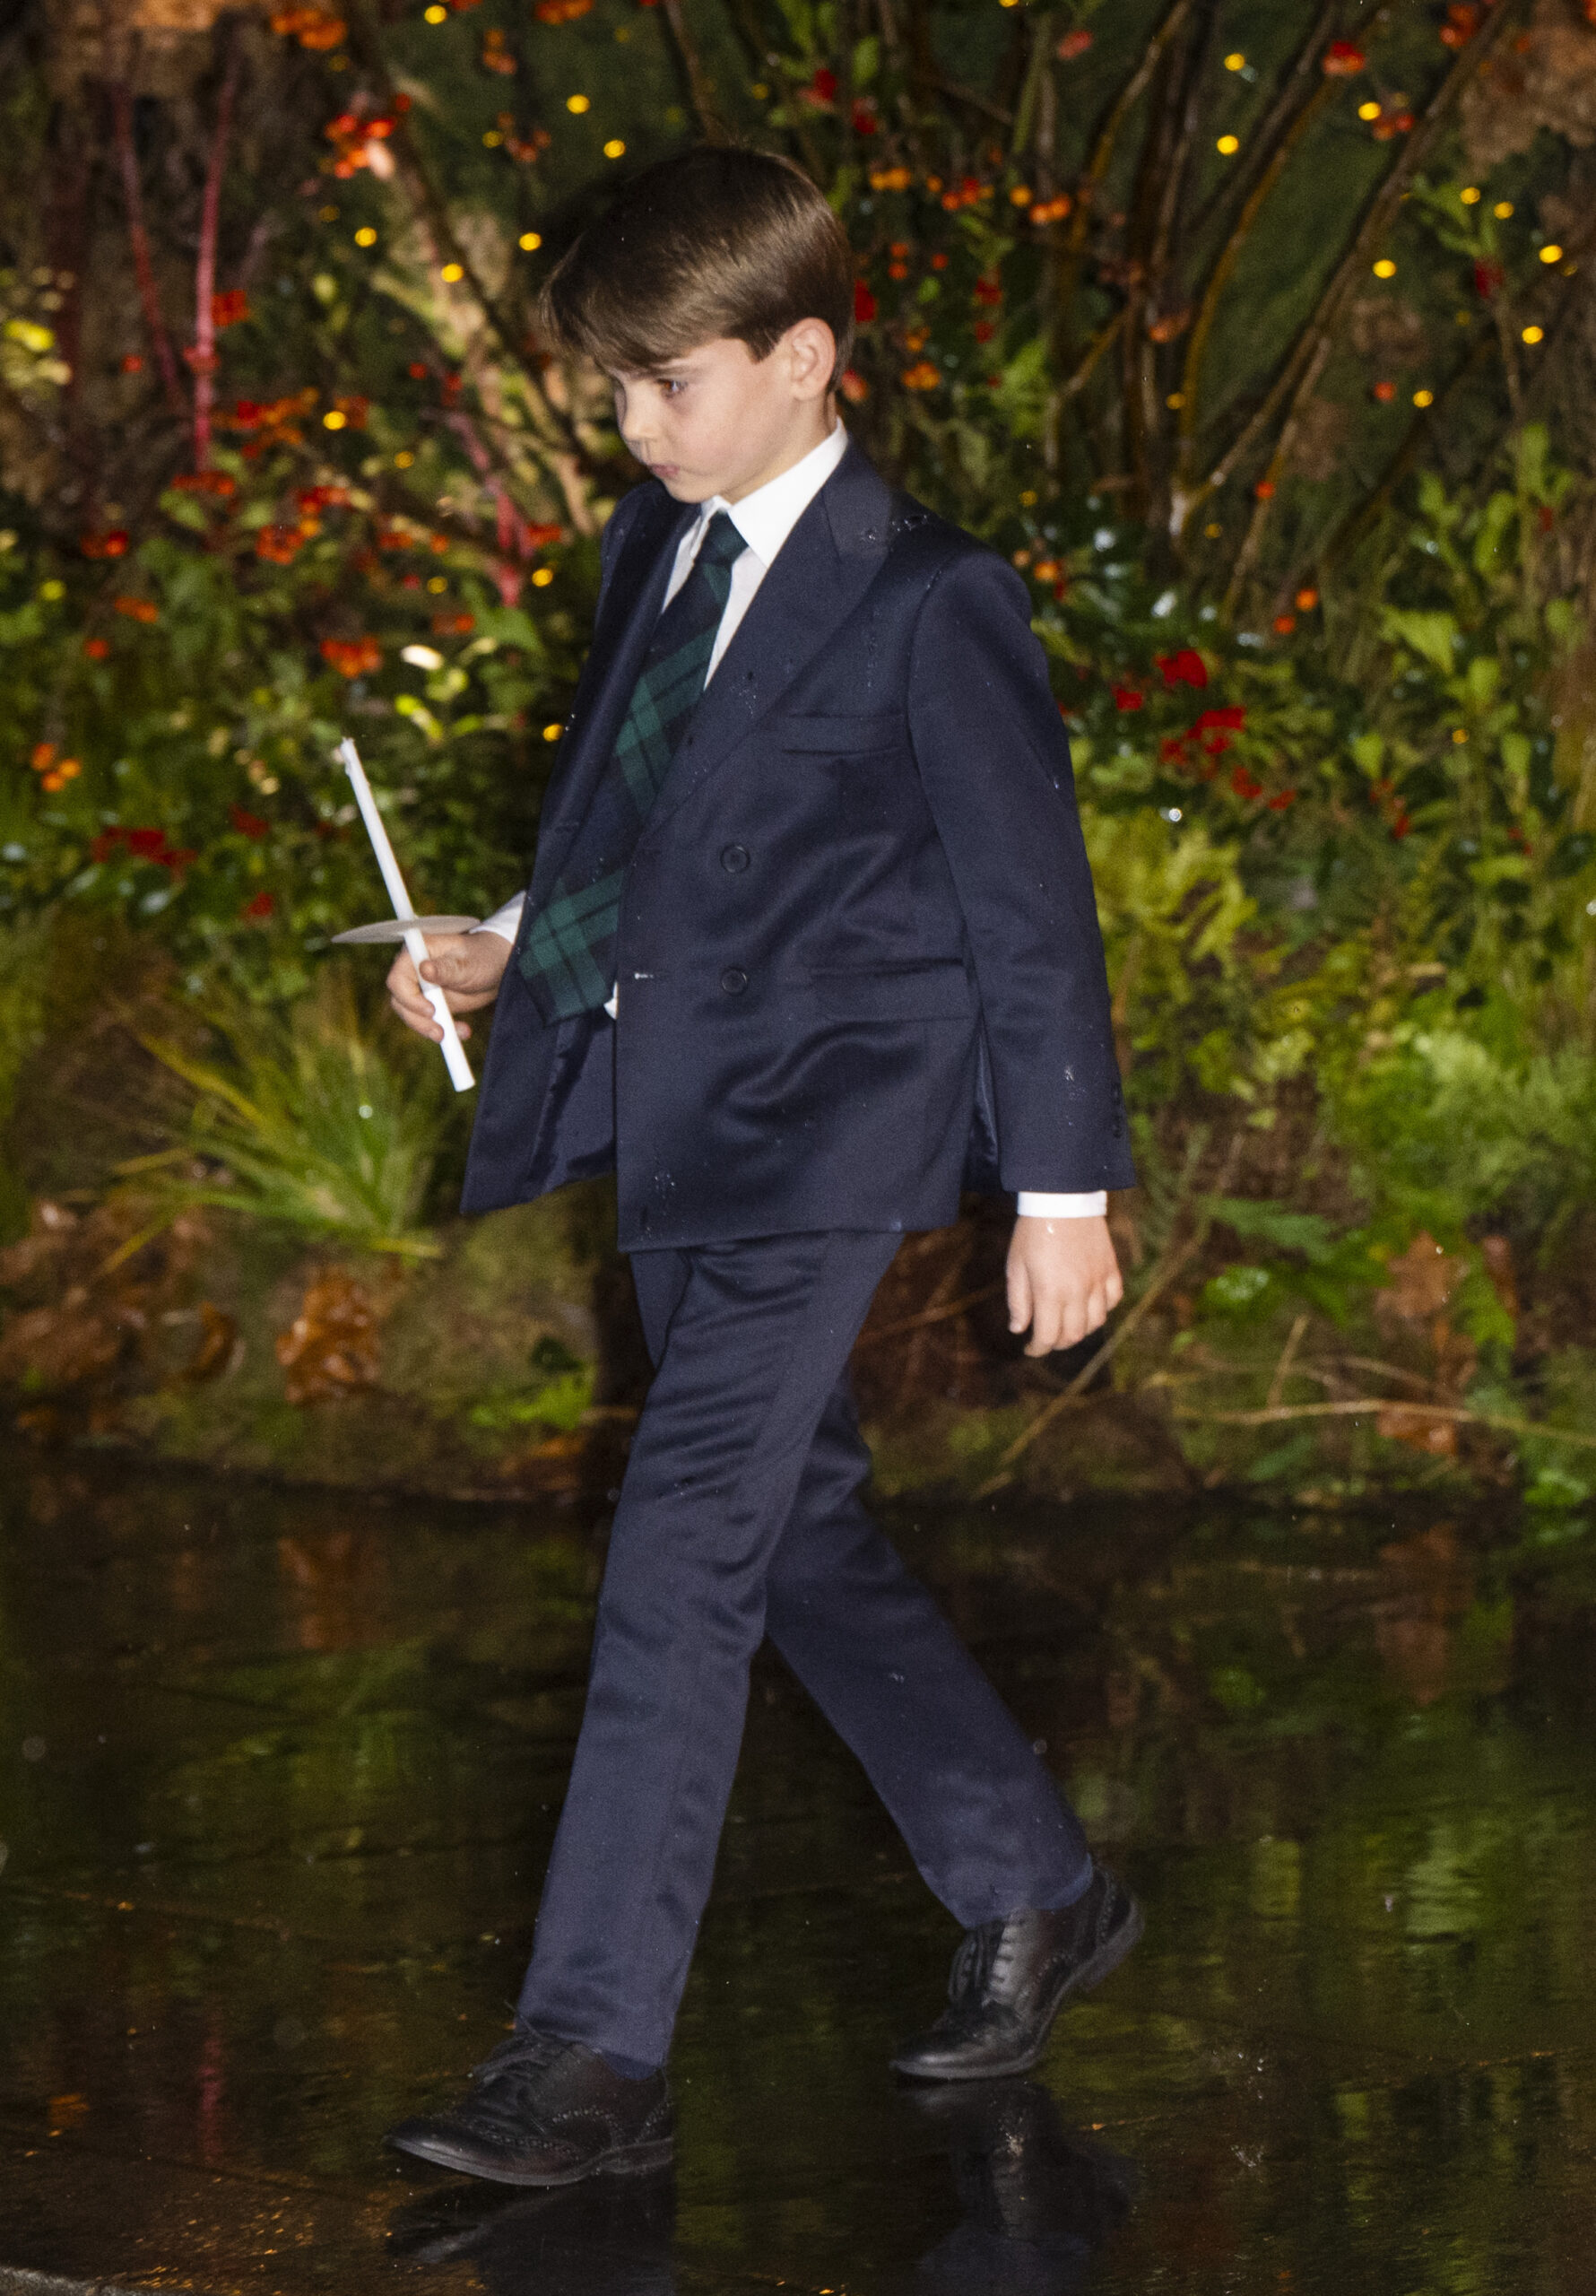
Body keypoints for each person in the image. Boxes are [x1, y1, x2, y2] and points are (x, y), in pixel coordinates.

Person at [382, 144, 1141, 2191]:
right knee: (786, 1533)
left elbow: (1025, 904)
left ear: (804, 360)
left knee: (683, 1543)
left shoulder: (931, 597)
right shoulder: (663, 547)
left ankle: (590, 2052)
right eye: (614, 397)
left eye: (665, 387)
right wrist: (509, 947)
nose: (634, 431)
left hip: (834, 1132)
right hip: (677, 1121)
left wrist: (1057, 1185)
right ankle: (1037, 1882)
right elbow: (654, 839)